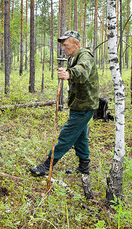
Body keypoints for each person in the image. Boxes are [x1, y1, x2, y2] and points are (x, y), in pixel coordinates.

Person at [29, 30, 99, 198]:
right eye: (63, 46)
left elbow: (83, 71)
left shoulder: (85, 56)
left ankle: (47, 165)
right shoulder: (72, 57)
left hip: (85, 105)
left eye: (66, 45)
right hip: (78, 104)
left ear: (76, 44)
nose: (64, 48)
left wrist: (69, 74)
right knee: (80, 136)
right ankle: (83, 167)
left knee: (67, 135)